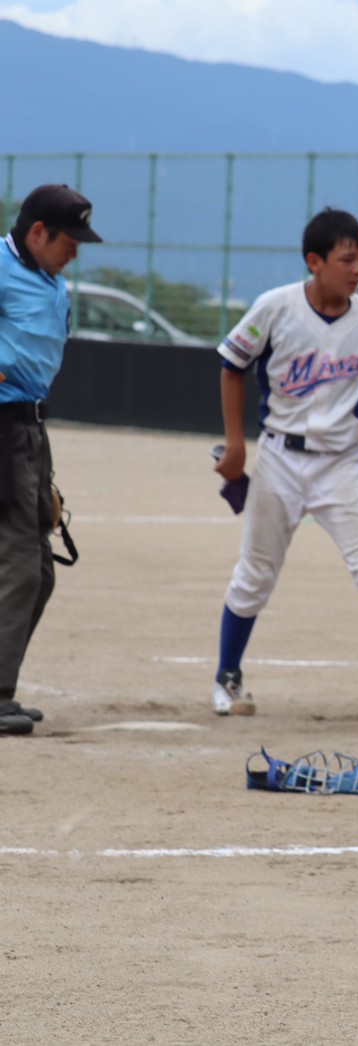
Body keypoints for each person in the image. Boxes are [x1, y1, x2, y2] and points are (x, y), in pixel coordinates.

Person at [210, 206, 358, 731]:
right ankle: (227, 676)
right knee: (255, 577)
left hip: (343, 462)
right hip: (279, 458)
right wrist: (235, 445)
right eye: (347, 259)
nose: (357, 269)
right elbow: (231, 366)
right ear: (315, 262)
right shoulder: (275, 307)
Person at [0, 184, 101, 738]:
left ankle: (3, 686)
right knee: (17, 565)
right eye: (70, 239)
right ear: (38, 232)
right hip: (3, 427)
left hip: (31, 429)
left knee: (40, 573)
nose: (76, 251)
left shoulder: (53, 282)